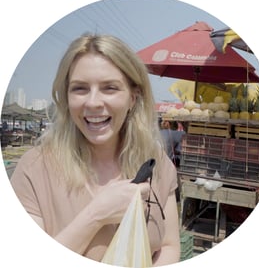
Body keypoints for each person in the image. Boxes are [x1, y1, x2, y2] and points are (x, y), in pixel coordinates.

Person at [10, 34, 180, 266]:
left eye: (109, 88)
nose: (93, 103)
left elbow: (169, 246)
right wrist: (97, 214)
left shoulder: (156, 163)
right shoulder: (34, 170)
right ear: (66, 97)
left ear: (133, 97)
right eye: (80, 89)